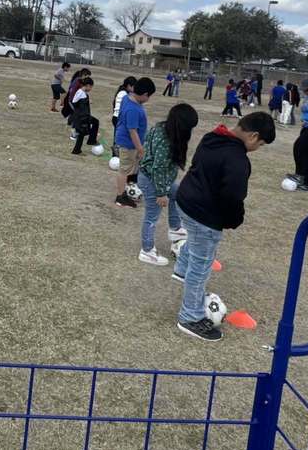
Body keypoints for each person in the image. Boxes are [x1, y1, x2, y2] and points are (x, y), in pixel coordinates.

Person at [172, 112, 276, 341]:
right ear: (253, 136)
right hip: (204, 216)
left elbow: (197, 167)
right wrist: (234, 220)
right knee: (200, 267)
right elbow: (233, 198)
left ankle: (180, 269)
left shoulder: (212, 137)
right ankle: (190, 317)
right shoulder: (238, 160)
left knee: (194, 243)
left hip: (185, 202)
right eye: (260, 144)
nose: (258, 148)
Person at [138, 103, 199, 266]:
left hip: (156, 178)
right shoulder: (166, 141)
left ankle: (175, 228)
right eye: (190, 127)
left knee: (178, 194)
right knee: (151, 217)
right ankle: (147, 251)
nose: (191, 132)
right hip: (152, 180)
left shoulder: (161, 127)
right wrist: (161, 193)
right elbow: (158, 168)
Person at [114, 77, 156, 207]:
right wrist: (140, 149)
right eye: (149, 96)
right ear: (144, 94)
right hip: (128, 143)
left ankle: (129, 190)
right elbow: (132, 131)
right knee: (124, 170)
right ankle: (120, 197)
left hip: (131, 142)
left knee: (132, 168)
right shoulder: (134, 109)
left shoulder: (128, 97)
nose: (148, 100)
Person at [69, 77, 101, 155]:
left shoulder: (80, 92)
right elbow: (82, 108)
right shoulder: (82, 94)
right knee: (95, 122)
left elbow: (74, 102)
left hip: (79, 116)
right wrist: (85, 119)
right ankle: (91, 140)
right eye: (91, 87)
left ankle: (77, 150)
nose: (91, 89)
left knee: (81, 134)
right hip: (82, 117)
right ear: (87, 85)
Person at [111, 76, 137, 157]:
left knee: (119, 137)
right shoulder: (123, 94)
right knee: (119, 138)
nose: (134, 89)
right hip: (118, 118)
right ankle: (115, 156)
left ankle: (116, 155)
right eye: (133, 87)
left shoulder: (123, 92)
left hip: (117, 117)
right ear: (129, 86)